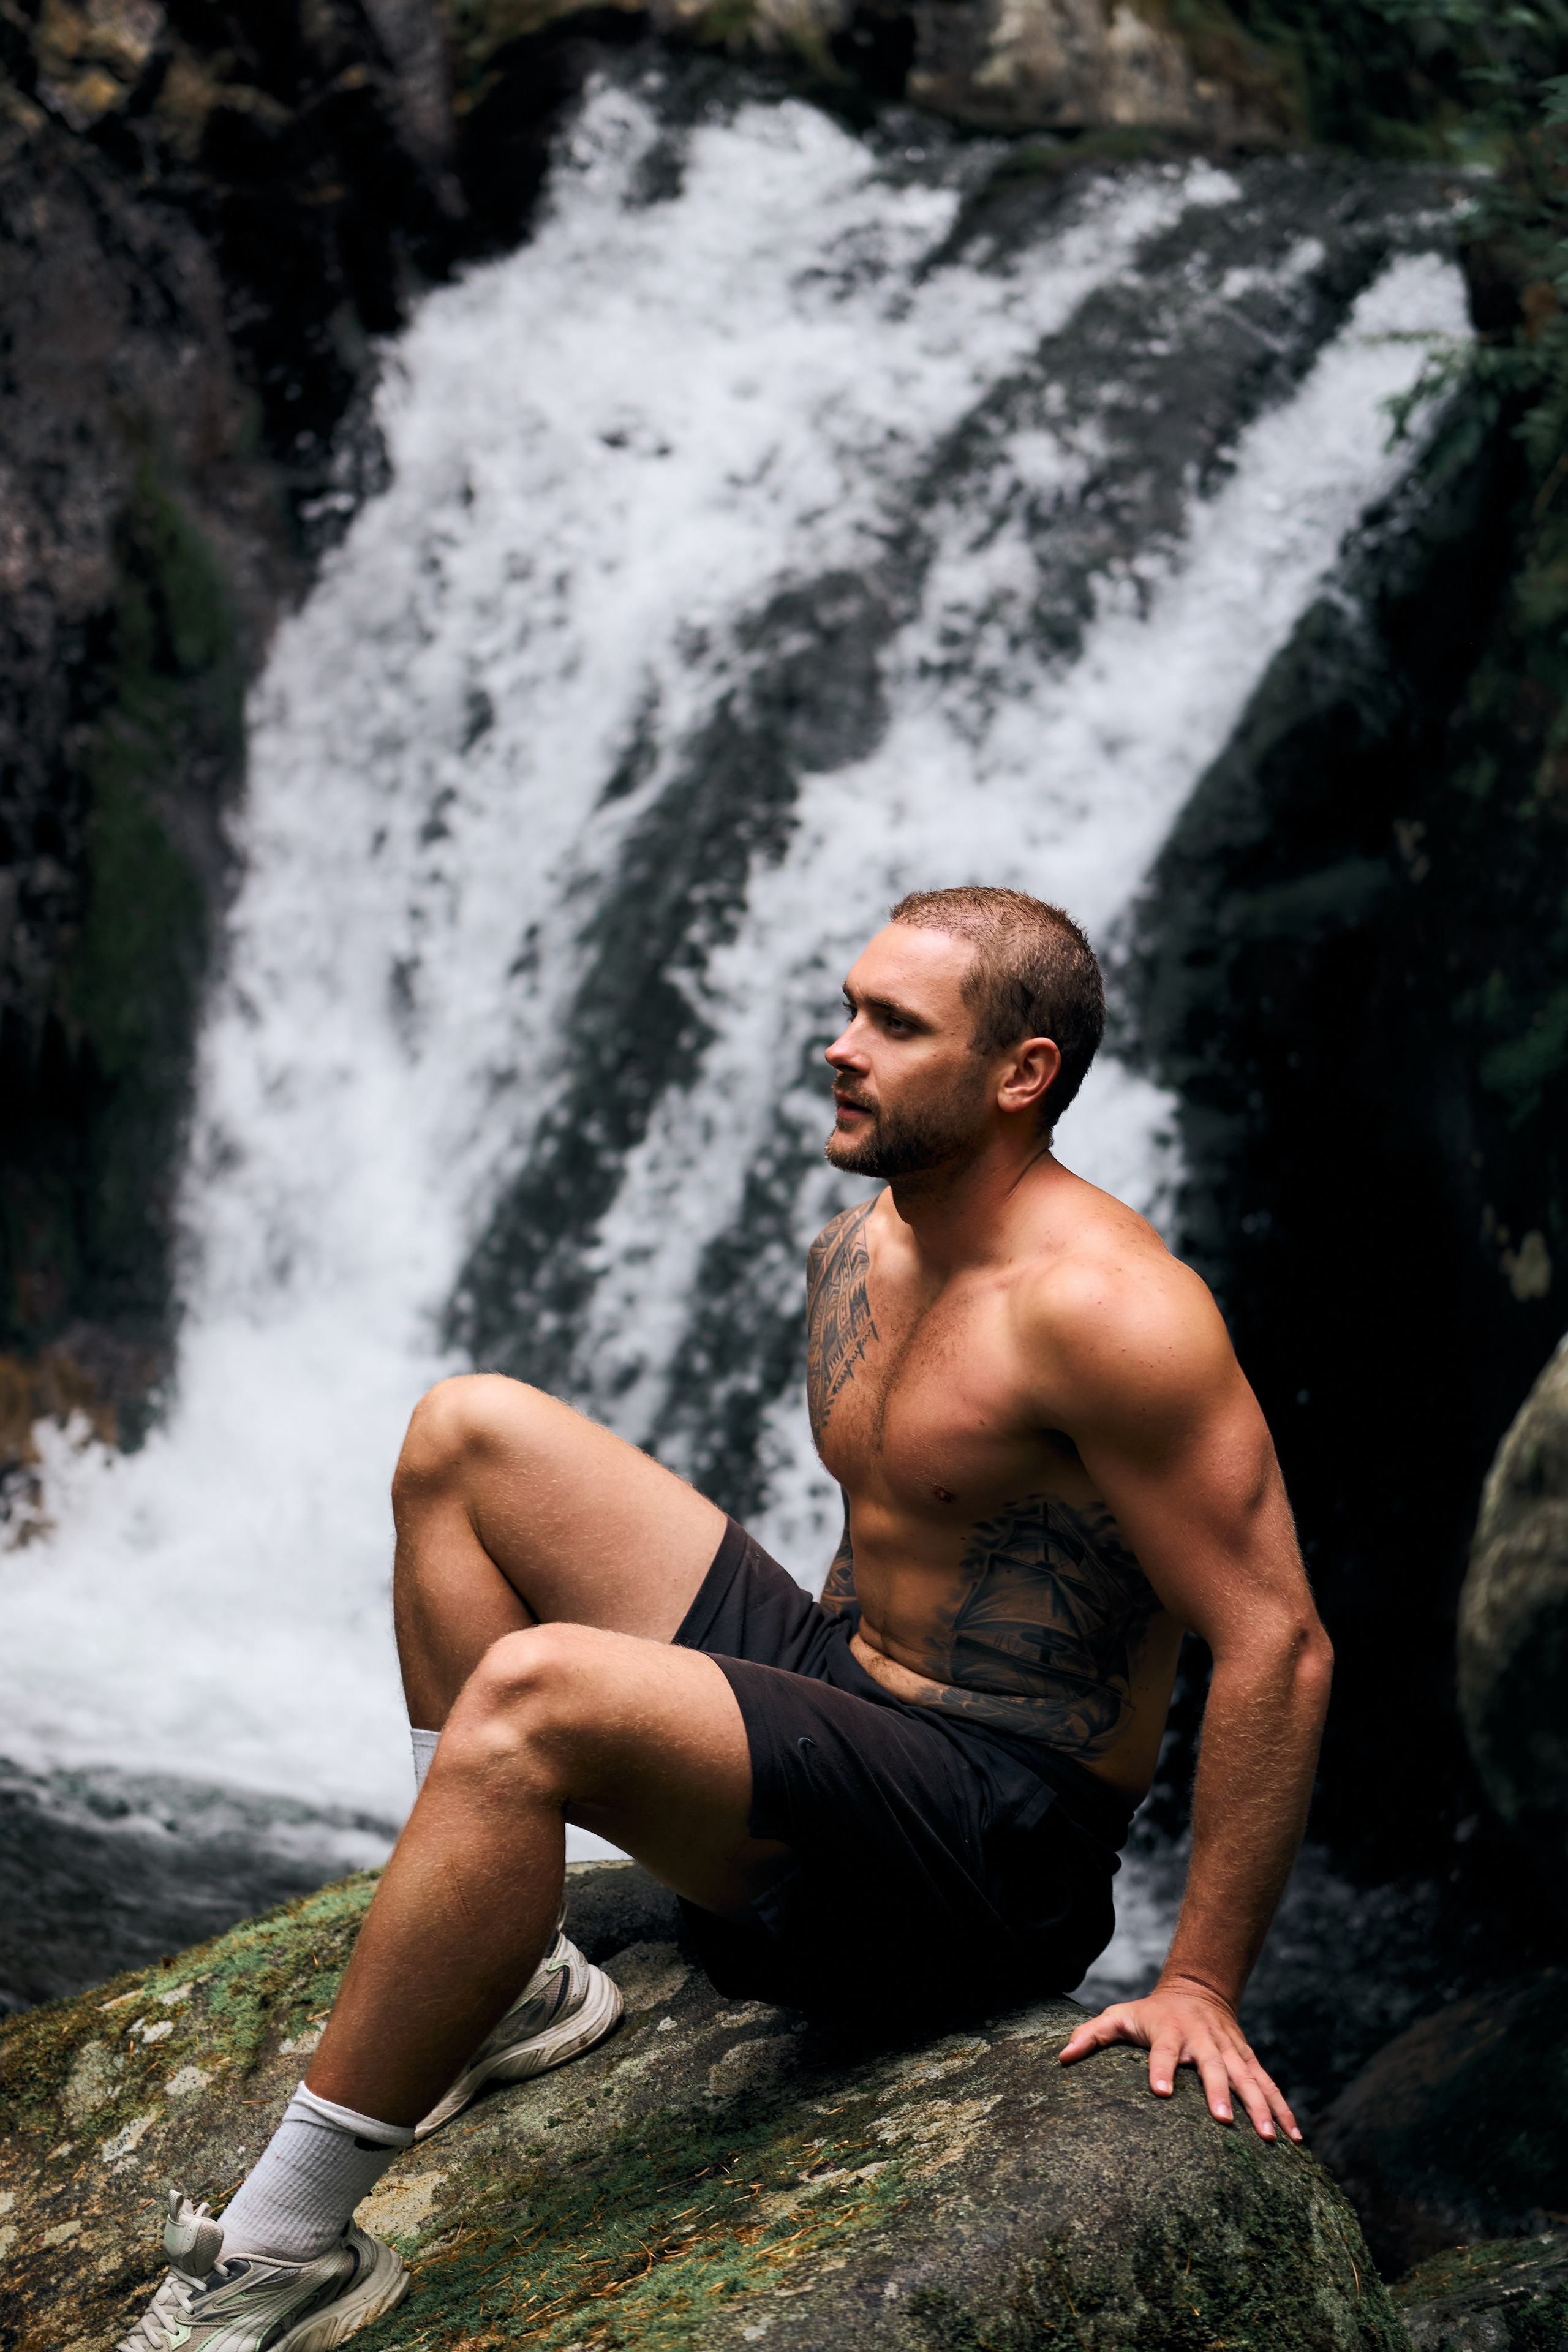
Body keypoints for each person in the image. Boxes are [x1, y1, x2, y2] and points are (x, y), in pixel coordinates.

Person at [118, 886, 1333, 2352]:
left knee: (540, 1694)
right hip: (856, 1702)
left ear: (1021, 1075)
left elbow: (1278, 1638)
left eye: (893, 1025)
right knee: (465, 1434)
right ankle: (499, 1981)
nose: (840, 1046)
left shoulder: (1112, 1313)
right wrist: (751, 1724)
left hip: (990, 1842)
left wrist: (1198, 1979)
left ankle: (281, 2246)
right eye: (847, 1008)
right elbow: (894, 1544)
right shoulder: (856, 1249)